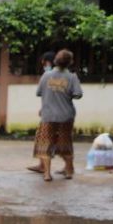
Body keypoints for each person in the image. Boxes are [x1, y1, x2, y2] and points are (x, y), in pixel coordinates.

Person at [34, 48, 82, 182]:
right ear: (69, 62)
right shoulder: (72, 77)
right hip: (66, 116)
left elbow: (38, 93)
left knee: (46, 143)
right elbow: (78, 94)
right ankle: (68, 171)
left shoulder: (46, 76)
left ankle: (47, 174)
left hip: (48, 116)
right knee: (65, 143)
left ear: (55, 61)